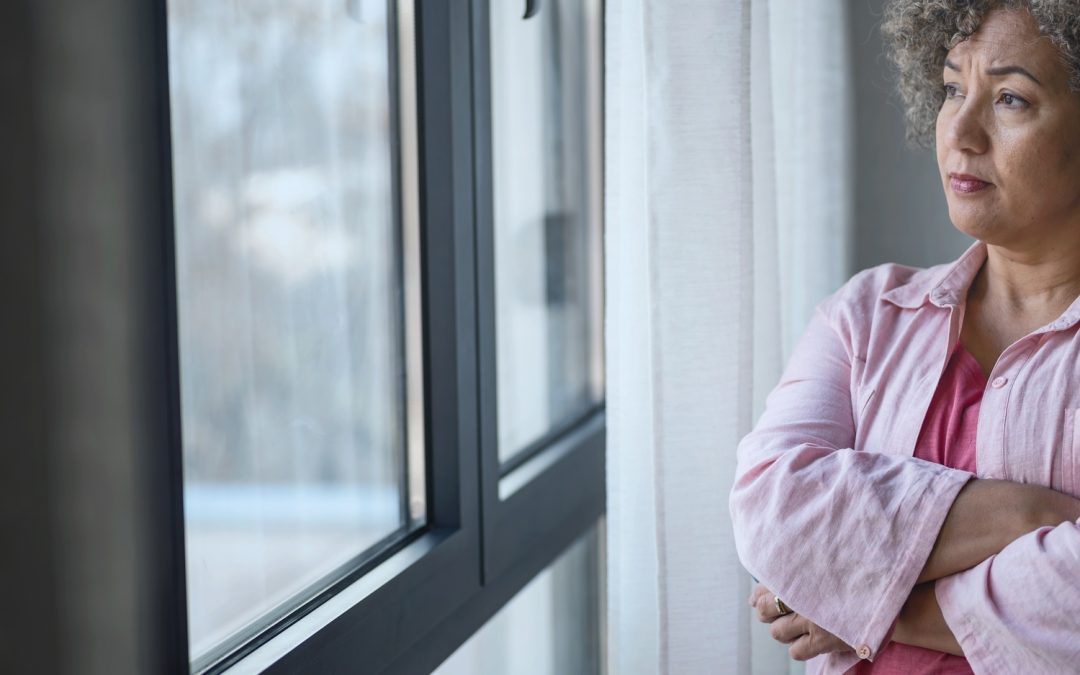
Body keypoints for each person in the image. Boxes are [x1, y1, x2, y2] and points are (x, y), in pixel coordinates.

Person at [728, 2, 1080, 673]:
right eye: (952, 88)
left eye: (1010, 97)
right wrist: (1024, 511)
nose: (962, 132)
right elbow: (769, 508)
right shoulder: (863, 316)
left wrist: (866, 601)